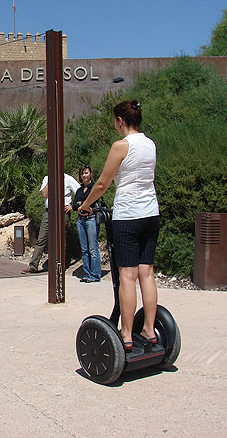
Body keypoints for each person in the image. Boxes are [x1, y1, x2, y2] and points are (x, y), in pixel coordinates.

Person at [78, 100, 160, 350]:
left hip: (128, 215)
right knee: (146, 273)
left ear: (120, 121)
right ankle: (148, 329)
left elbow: (102, 184)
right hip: (151, 213)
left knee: (127, 275)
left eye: (115, 120)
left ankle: (125, 333)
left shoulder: (120, 146)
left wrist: (85, 205)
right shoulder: (150, 144)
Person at [22, 173, 81, 274]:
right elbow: (44, 194)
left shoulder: (68, 178)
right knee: (41, 239)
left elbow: (80, 192)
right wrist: (52, 180)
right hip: (49, 212)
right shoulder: (47, 178)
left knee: (61, 239)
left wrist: (73, 206)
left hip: (62, 212)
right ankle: (33, 265)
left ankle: (61, 265)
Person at [72, 164, 101, 283]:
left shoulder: (93, 188)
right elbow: (74, 205)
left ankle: (95, 274)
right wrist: (82, 204)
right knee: (84, 249)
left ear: (91, 174)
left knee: (93, 248)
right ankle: (87, 273)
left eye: (86, 173)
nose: (84, 175)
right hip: (81, 220)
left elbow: (93, 202)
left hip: (90, 219)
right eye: (82, 173)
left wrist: (82, 204)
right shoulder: (79, 190)